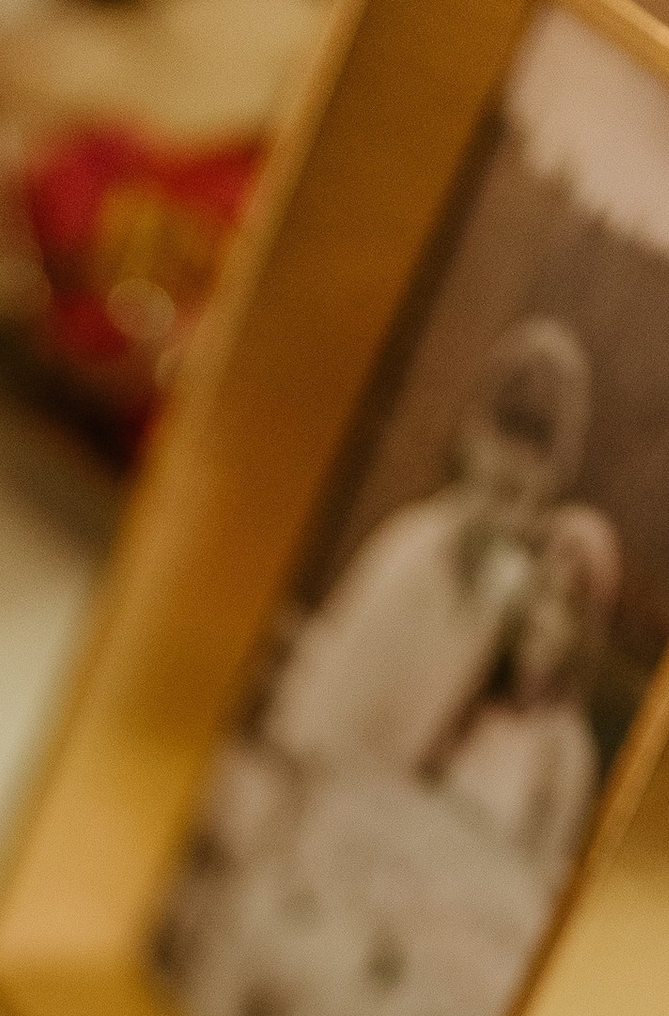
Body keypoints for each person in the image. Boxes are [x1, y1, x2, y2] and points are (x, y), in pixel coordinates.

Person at [259, 315, 593, 781]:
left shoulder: (508, 592)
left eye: (537, 449)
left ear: (553, 473)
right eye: (505, 432)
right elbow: (321, 717)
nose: (514, 464)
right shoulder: (413, 549)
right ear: (474, 436)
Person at [435, 501, 617, 898]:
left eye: (563, 604)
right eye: (539, 590)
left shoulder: (564, 751)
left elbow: (542, 887)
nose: (540, 616)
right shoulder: (471, 697)